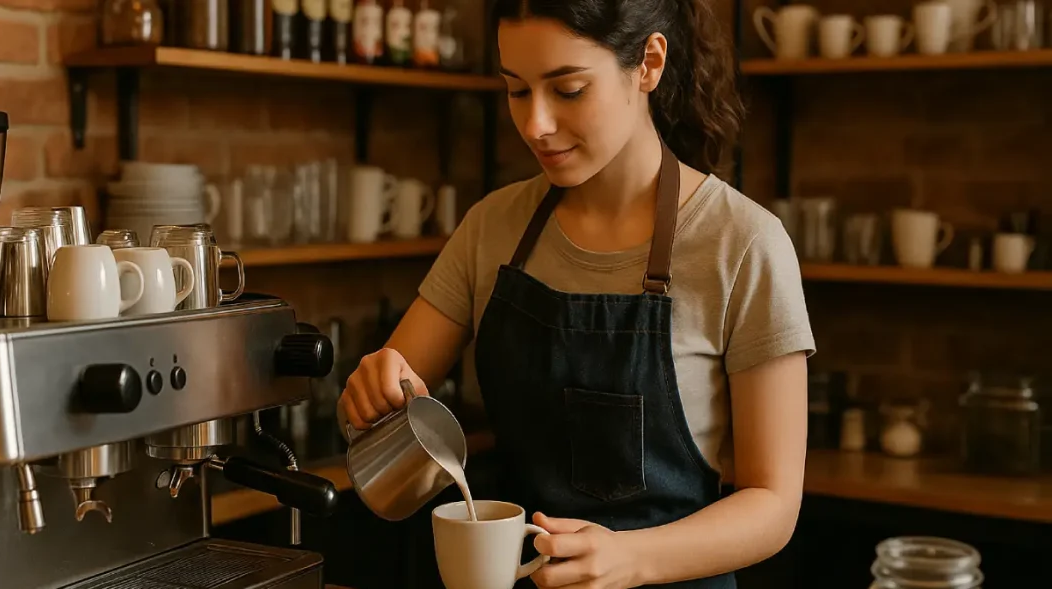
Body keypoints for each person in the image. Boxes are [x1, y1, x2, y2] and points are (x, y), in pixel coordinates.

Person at [337, 0, 815, 586]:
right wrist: (372, 393)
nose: (535, 123)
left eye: (568, 90)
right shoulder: (493, 227)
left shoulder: (742, 244)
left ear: (648, 64)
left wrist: (630, 558)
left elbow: (773, 506)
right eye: (516, 91)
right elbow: (382, 417)